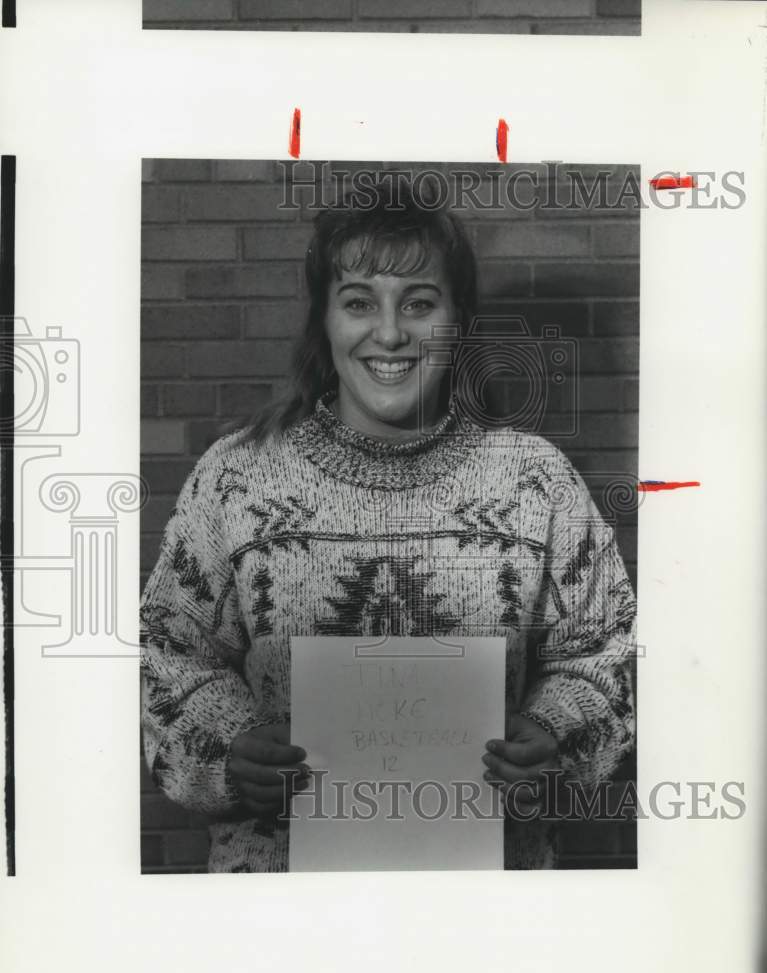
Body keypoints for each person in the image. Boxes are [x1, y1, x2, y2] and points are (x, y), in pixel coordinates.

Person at [140, 181, 636, 873]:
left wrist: (552, 736)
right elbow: (168, 650)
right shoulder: (238, 477)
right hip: (276, 904)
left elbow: (602, 652)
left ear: (457, 319)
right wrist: (230, 748)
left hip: (491, 907)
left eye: (420, 303)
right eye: (357, 303)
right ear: (324, 321)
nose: (391, 333)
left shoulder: (534, 480)